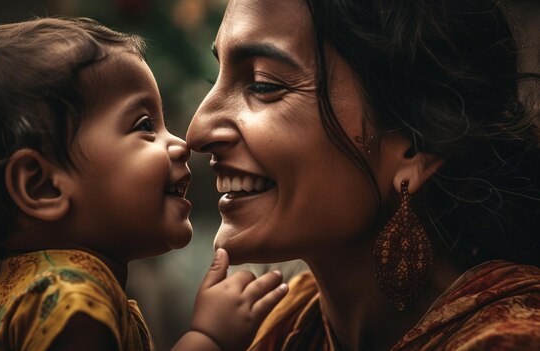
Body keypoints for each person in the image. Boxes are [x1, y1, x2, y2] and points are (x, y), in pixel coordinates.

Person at [0, 17, 289, 351]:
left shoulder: (10, 293)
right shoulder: (70, 303)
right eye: (144, 126)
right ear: (42, 186)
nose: (181, 143)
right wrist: (209, 337)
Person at [186, 0, 540, 349]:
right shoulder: (279, 326)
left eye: (263, 84)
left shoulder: (511, 341)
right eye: (215, 78)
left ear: (412, 148)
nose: (197, 131)